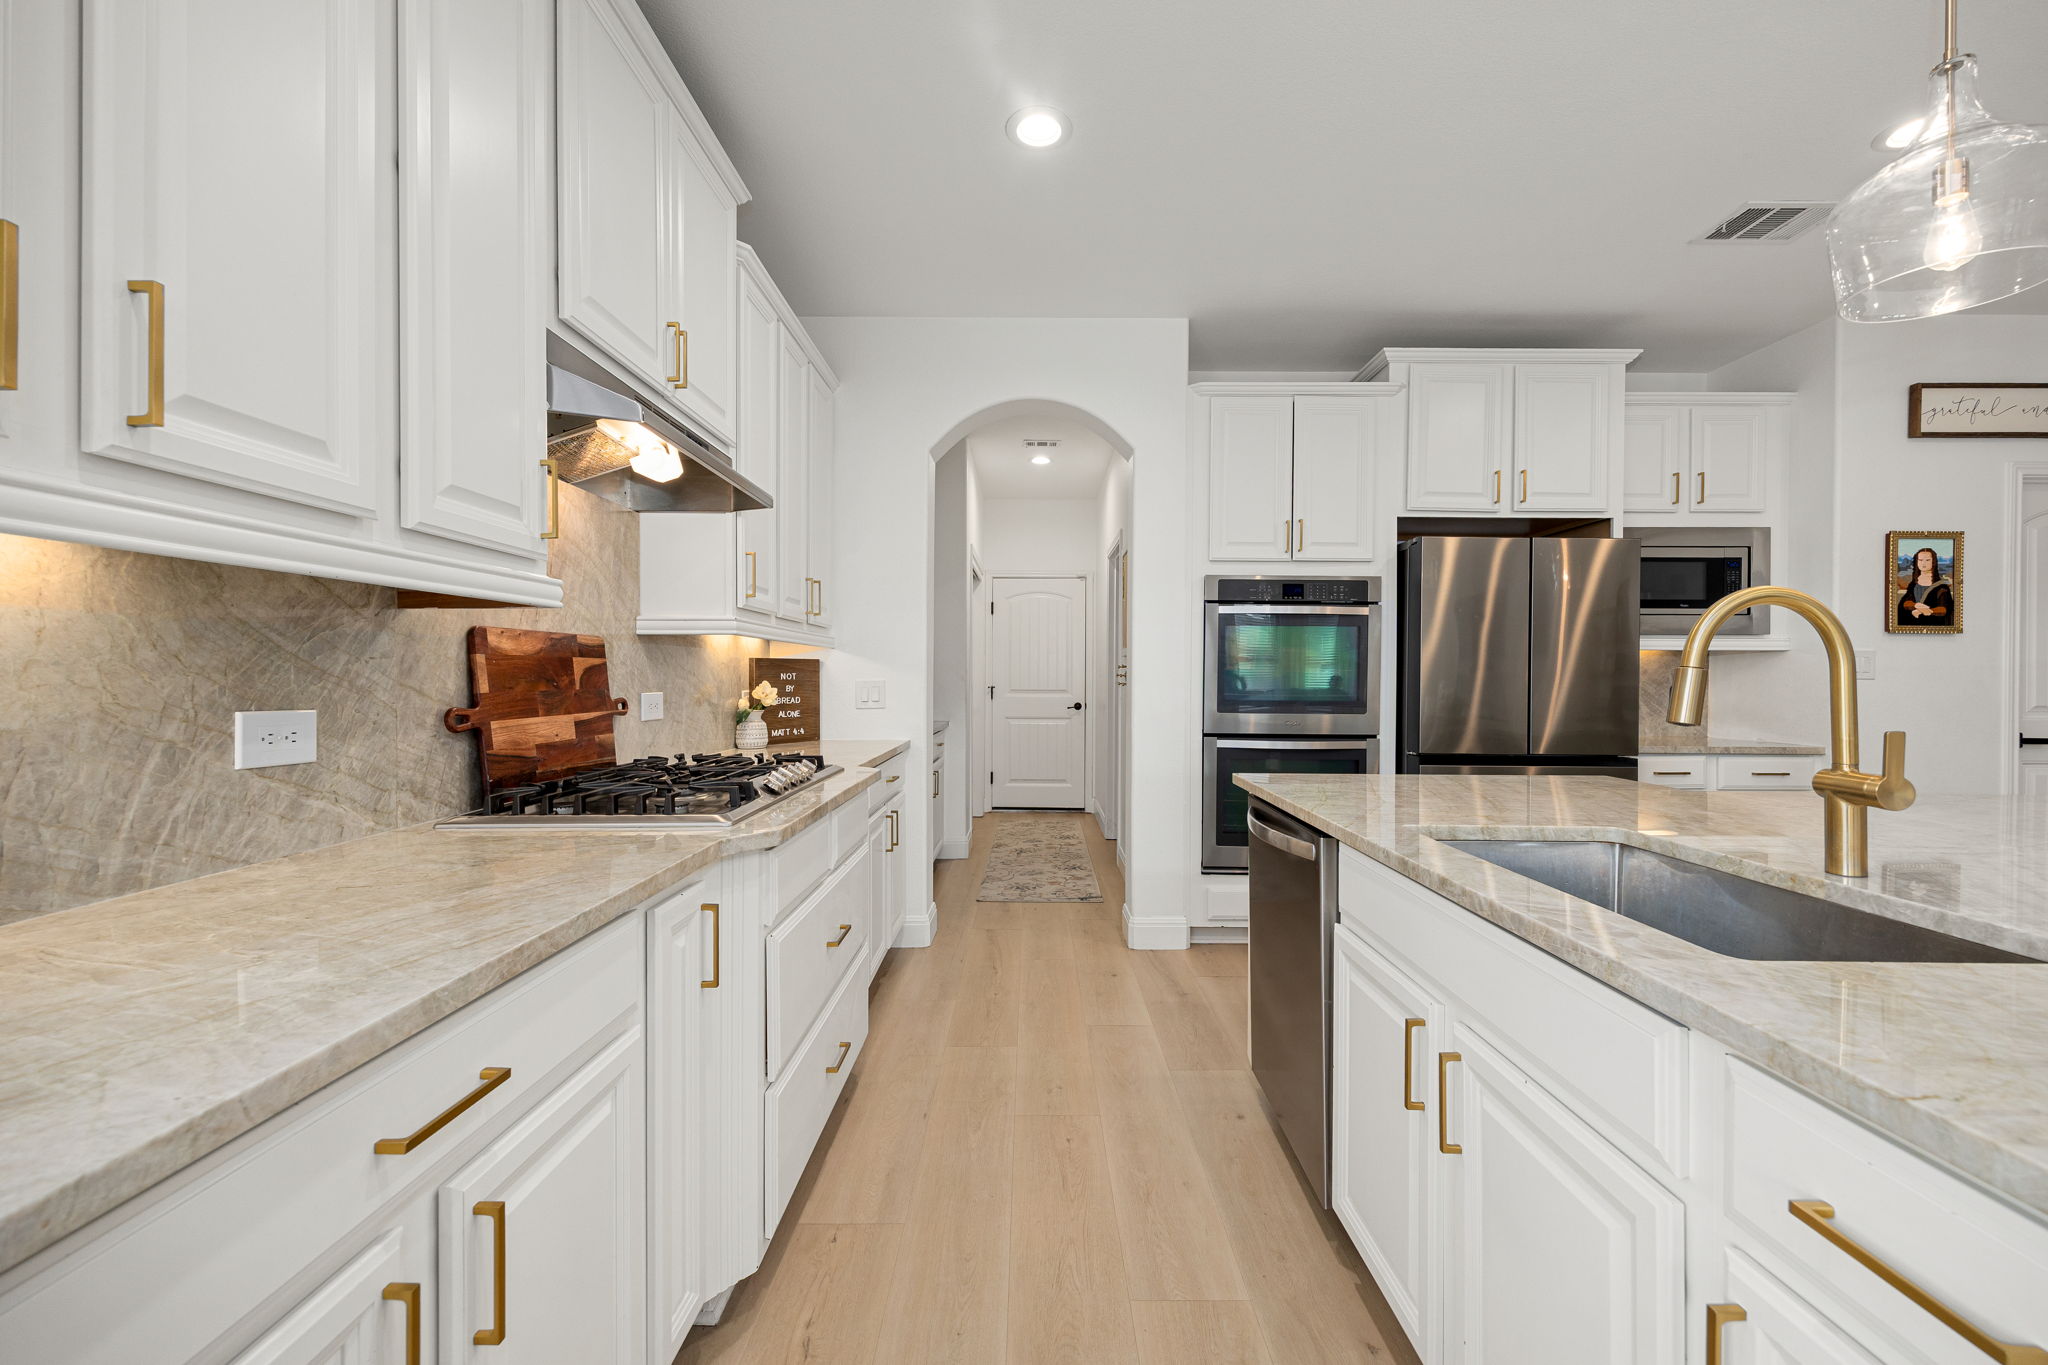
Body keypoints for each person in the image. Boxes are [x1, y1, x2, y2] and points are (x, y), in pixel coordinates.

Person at [1896, 545, 1955, 626]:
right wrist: (1916, 605)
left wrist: (1925, 611)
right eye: (1920, 560)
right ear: (1916, 562)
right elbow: (1905, 602)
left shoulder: (1942, 587)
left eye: (1927, 560)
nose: (1923, 563)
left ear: (1933, 562)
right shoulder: (1913, 584)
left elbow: (1944, 609)